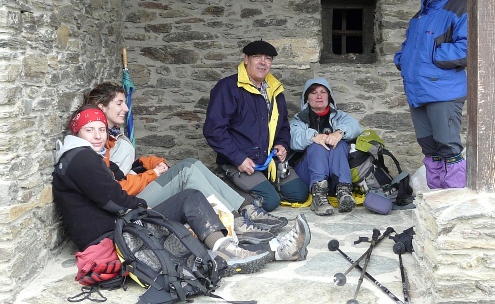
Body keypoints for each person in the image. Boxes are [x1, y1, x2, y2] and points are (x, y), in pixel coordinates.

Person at [84, 83, 310, 261]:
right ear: (102, 107)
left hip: (135, 193)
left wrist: (152, 163)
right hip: (130, 206)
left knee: (192, 164)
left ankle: (245, 210)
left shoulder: (109, 135)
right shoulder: (97, 143)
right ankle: (238, 219)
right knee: (187, 171)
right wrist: (152, 175)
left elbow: (129, 164)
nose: (126, 108)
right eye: (120, 103)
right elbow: (116, 187)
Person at [52, 105, 270, 276]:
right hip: (114, 236)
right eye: (89, 130)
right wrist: (143, 206)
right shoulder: (82, 159)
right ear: (77, 133)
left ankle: (223, 247)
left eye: (101, 130)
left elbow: (114, 183)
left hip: (112, 228)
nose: (98, 136)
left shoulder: (79, 157)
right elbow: (114, 200)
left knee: (187, 205)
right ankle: (226, 249)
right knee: (189, 198)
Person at [203, 40, 309, 212]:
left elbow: (283, 126)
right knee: (269, 202)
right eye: (257, 57)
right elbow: (213, 130)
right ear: (246, 59)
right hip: (240, 161)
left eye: (268, 58)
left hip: (269, 160)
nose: (263, 62)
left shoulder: (275, 90)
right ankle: (223, 181)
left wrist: (282, 144)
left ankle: (260, 186)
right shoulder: (228, 88)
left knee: (299, 194)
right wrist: (238, 158)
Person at [393, 0, 467, 189]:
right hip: (418, 91)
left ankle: (454, 202)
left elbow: (469, 47)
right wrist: (402, 59)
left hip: (443, 92)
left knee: (447, 146)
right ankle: (436, 201)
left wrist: (435, 54)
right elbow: (410, 47)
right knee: (430, 148)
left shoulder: (458, 7)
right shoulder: (419, 16)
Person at [290, 78, 362, 216]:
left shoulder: (339, 117)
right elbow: (293, 139)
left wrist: (339, 133)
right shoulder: (298, 120)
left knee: (339, 143)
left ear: (329, 97)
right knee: (317, 145)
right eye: (314, 93)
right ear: (307, 98)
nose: (319, 96)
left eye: (323, 92)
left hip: (334, 173)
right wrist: (313, 136)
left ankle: (343, 190)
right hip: (308, 173)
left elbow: (355, 127)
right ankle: (318, 194)